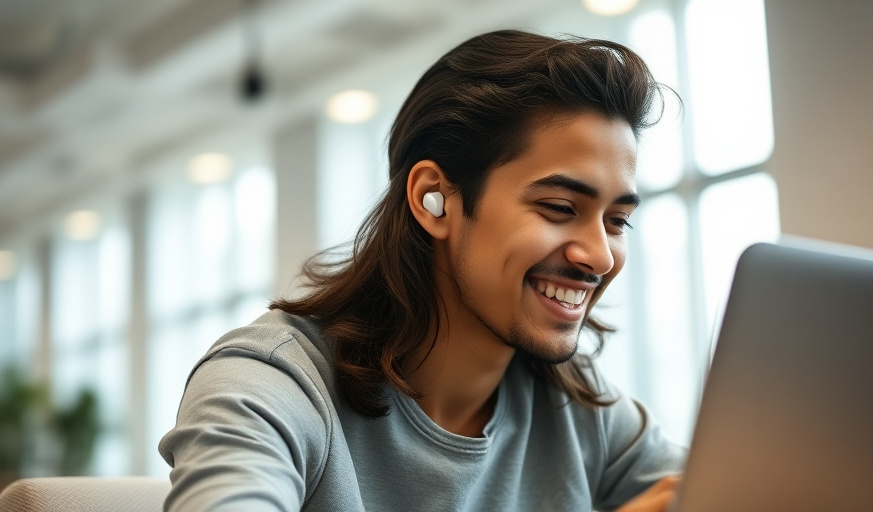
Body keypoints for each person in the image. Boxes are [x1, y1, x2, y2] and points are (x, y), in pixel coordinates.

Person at [159, 29, 686, 511]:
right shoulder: (270, 385)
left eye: (617, 221)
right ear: (433, 197)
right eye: (558, 209)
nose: (599, 256)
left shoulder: (576, 405)